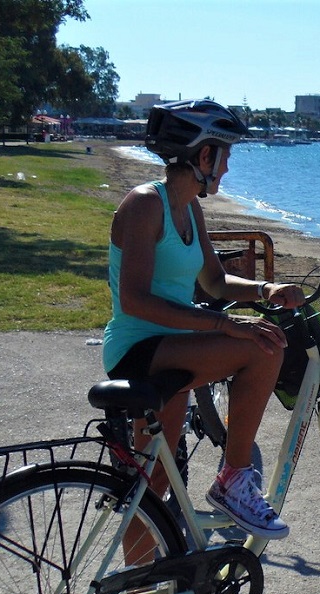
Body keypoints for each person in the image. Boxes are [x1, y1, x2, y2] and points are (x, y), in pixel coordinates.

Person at [103, 99, 305, 544]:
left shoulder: (190, 207)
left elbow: (214, 281)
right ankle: (234, 478)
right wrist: (224, 326)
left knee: (154, 484)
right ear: (204, 155)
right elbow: (134, 300)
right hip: (138, 348)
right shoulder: (145, 204)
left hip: (176, 350)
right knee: (262, 347)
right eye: (225, 156)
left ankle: (139, 588)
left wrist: (264, 289)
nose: (227, 168)